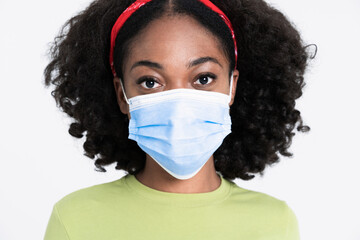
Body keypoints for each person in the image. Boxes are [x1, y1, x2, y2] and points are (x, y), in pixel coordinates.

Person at [43, 0, 312, 239]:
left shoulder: (274, 223)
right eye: (150, 82)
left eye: (203, 79)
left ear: (232, 86)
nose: (180, 103)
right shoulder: (75, 219)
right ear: (122, 94)